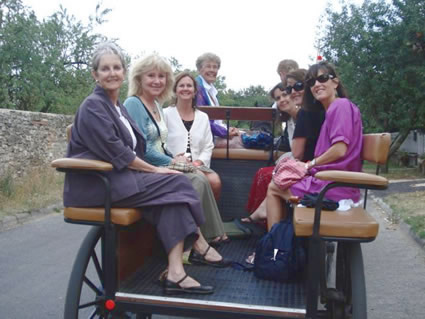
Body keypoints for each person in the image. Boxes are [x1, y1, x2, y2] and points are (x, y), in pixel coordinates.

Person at [64, 42, 223, 295]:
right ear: (95, 75)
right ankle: (200, 242)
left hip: (121, 178)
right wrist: (156, 170)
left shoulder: (118, 108)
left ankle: (175, 272)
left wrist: (168, 163)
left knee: (173, 198)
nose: (112, 73)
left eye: (116, 67)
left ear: (123, 71)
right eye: (105, 69)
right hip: (98, 184)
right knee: (180, 182)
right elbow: (120, 153)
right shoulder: (94, 106)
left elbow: (137, 147)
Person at [123, 54, 229, 246]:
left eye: (161, 77)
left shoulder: (156, 105)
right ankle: (193, 243)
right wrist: (173, 162)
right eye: (151, 76)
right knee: (196, 179)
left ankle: (207, 236)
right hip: (146, 168)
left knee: (203, 178)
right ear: (139, 78)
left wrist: (175, 158)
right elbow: (141, 147)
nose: (157, 81)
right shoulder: (134, 104)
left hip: (165, 161)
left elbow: (164, 144)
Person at [266, 61, 363, 230]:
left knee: (274, 187)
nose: (317, 84)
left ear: (335, 82)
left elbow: (340, 149)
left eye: (323, 78)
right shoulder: (332, 109)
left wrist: (309, 164)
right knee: (280, 179)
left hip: (334, 187)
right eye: (311, 82)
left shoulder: (340, 106)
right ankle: (285, 242)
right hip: (331, 182)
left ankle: (273, 248)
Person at [243, 69, 325, 224]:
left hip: (311, 168)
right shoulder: (292, 120)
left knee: (268, 175)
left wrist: (285, 162)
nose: (284, 99)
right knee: (265, 173)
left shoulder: (306, 114)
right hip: (306, 165)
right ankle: (260, 216)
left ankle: (265, 219)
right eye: (279, 97)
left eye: (286, 94)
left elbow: (298, 153)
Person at [164, 71, 222, 201]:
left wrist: (197, 162)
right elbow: (162, 142)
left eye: (189, 86)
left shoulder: (203, 117)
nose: (185, 89)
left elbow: (208, 146)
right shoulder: (166, 114)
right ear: (175, 90)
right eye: (181, 85)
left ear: (195, 91)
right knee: (199, 180)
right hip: (173, 163)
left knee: (215, 181)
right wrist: (176, 159)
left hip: (198, 164)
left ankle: (206, 218)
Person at [194, 52, 240, 139]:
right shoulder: (197, 88)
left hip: (213, 134)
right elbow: (202, 121)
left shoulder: (211, 90)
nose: (212, 70)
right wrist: (225, 132)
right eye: (208, 66)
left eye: (215, 67)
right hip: (203, 138)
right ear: (199, 69)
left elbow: (217, 122)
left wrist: (227, 129)